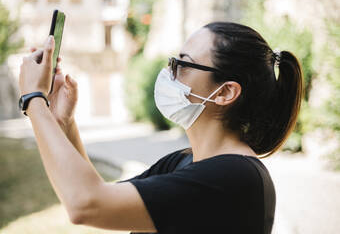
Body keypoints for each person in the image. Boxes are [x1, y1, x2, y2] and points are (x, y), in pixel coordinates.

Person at [18, 21, 303, 234]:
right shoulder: (185, 161)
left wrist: (33, 99)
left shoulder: (235, 177)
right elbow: (103, 198)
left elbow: (85, 204)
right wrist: (63, 122)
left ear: (225, 92)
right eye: (172, 61)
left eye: (183, 64)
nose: (168, 73)